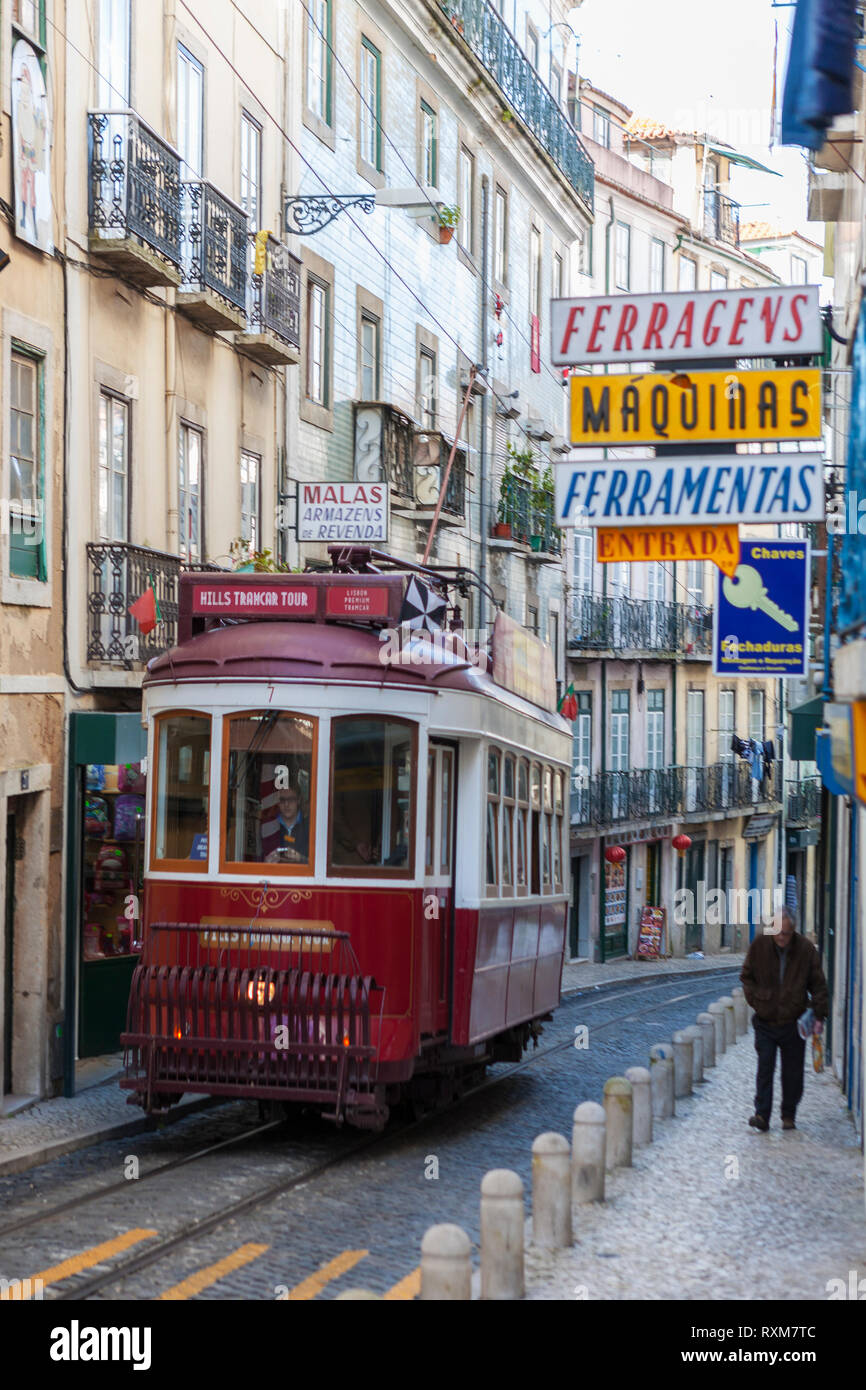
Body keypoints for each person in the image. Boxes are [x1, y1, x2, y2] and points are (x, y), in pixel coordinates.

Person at [739, 906, 828, 1132]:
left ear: (793, 931)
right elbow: (746, 977)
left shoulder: (806, 950)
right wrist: (757, 1002)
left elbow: (818, 985)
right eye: (777, 931)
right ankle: (762, 1115)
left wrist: (819, 1014)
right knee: (765, 1068)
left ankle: (789, 1114)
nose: (781, 937)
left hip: (793, 1021)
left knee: (793, 1072)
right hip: (765, 1021)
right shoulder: (759, 945)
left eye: (786, 933)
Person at [265, 787, 309, 864]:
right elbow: (256, 859)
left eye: (291, 799)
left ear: (298, 800)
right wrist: (265, 862)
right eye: (282, 800)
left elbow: (318, 864)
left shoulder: (309, 827)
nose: (286, 804)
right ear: (277, 802)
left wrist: (300, 858)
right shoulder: (269, 826)